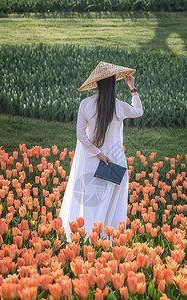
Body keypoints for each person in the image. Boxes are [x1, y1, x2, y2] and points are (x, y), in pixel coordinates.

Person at [58, 61, 143, 242]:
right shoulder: (119, 106)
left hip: (92, 160)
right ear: (113, 84)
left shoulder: (86, 104)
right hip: (115, 162)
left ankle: (86, 239)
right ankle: (106, 241)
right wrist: (132, 88)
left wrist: (98, 154)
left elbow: (81, 136)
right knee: (111, 203)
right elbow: (139, 111)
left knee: (90, 203)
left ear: (96, 83)